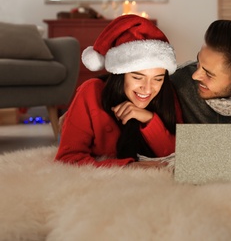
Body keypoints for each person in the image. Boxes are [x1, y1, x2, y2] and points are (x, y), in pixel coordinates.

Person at [54, 14, 182, 168]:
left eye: (158, 78)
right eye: (137, 77)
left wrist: (149, 119)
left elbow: (180, 155)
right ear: (120, 75)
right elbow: (68, 159)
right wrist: (127, 167)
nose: (148, 88)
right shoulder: (91, 91)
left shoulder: (167, 92)